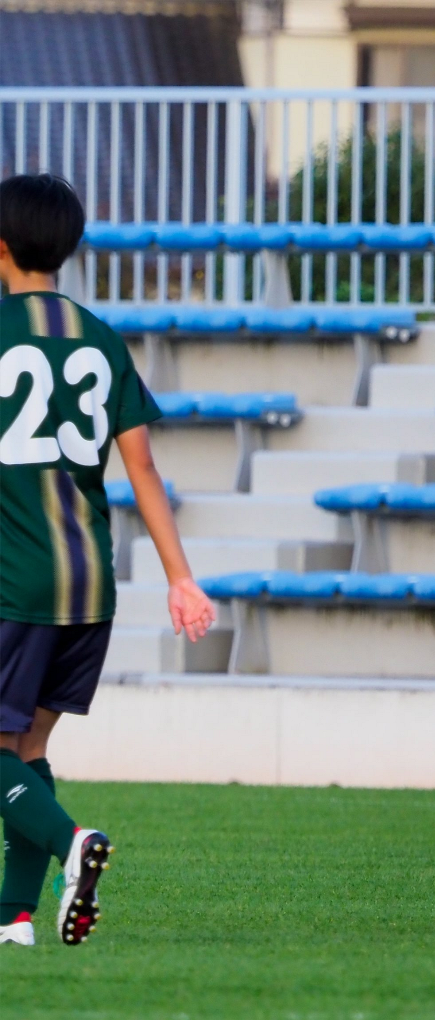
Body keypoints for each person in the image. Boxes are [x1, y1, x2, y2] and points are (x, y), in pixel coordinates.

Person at [0, 173, 216, 948]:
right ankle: (13, 918)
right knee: (27, 750)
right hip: (91, 579)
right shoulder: (99, 338)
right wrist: (180, 577)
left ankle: (71, 844)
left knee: (5, 753)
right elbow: (145, 470)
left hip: (13, 580)